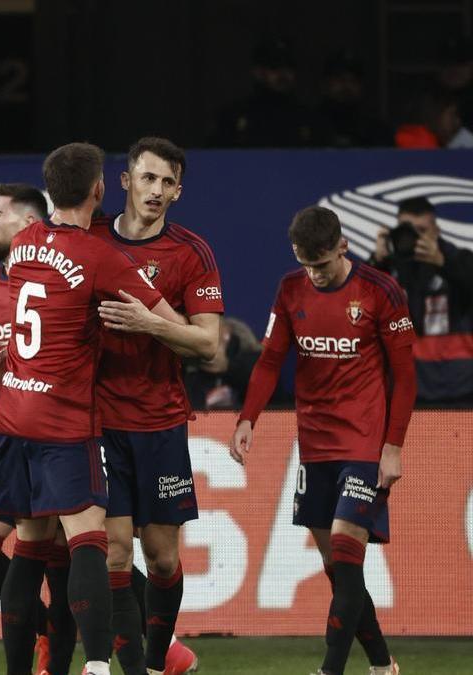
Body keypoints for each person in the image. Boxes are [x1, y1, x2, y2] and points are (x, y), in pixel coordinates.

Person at [0, 142, 183, 675]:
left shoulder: (23, 246)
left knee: (29, 550)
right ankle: (97, 666)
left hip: (14, 413)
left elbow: (31, 319)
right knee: (91, 541)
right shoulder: (102, 256)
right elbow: (170, 323)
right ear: (100, 190)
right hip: (64, 422)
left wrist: (4, 358)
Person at [231, 205, 415, 675]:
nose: (315, 274)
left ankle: (330, 670)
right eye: (306, 263)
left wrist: (392, 446)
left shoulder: (380, 290)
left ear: (343, 247)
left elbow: (406, 375)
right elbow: (271, 360)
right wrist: (247, 418)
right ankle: (382, 666)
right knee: (341, 569)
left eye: (323, 264)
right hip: (313, 445)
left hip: (364, 444)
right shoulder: (290, 289)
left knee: (345, 545)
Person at [88, 137, 218, 675]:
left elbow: (208, 345)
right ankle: (135, 669)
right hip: (100, 423)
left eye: (168, 183)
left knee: (162, 559)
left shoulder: (190, 253)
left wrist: (150, 324)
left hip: (161, 423)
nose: (157, 191)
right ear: (125, 181)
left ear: (179, 191)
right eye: (148, 178)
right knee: (116, 554)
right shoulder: (89, 239)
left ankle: (162, 657)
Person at [0, 183, 75, 675]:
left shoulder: (60, 275)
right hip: (8, 436)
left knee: (70, 554)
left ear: (29, 224)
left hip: (59, 432)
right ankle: (48, 629)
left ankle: (155, 643)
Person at [370, 197, 473, 403]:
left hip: (463, 389)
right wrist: (376, 262)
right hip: (411, 392)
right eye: (408, 230)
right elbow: (357, 306)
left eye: (422, 230)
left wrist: (443, 262)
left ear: (436, 229)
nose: (415, 238)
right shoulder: (389, 268)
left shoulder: (460, 258)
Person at [213, 38, 313, 147]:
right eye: (274, 67)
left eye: (289, 67)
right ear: (258, 72)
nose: (283, 74)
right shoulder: (234, 116)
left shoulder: (308, 119)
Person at [182, 316, 262, 410]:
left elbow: (269, 394)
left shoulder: (253, 357)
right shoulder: (187, 366)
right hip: (203, 423)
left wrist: (228, 367)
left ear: (226, 333)